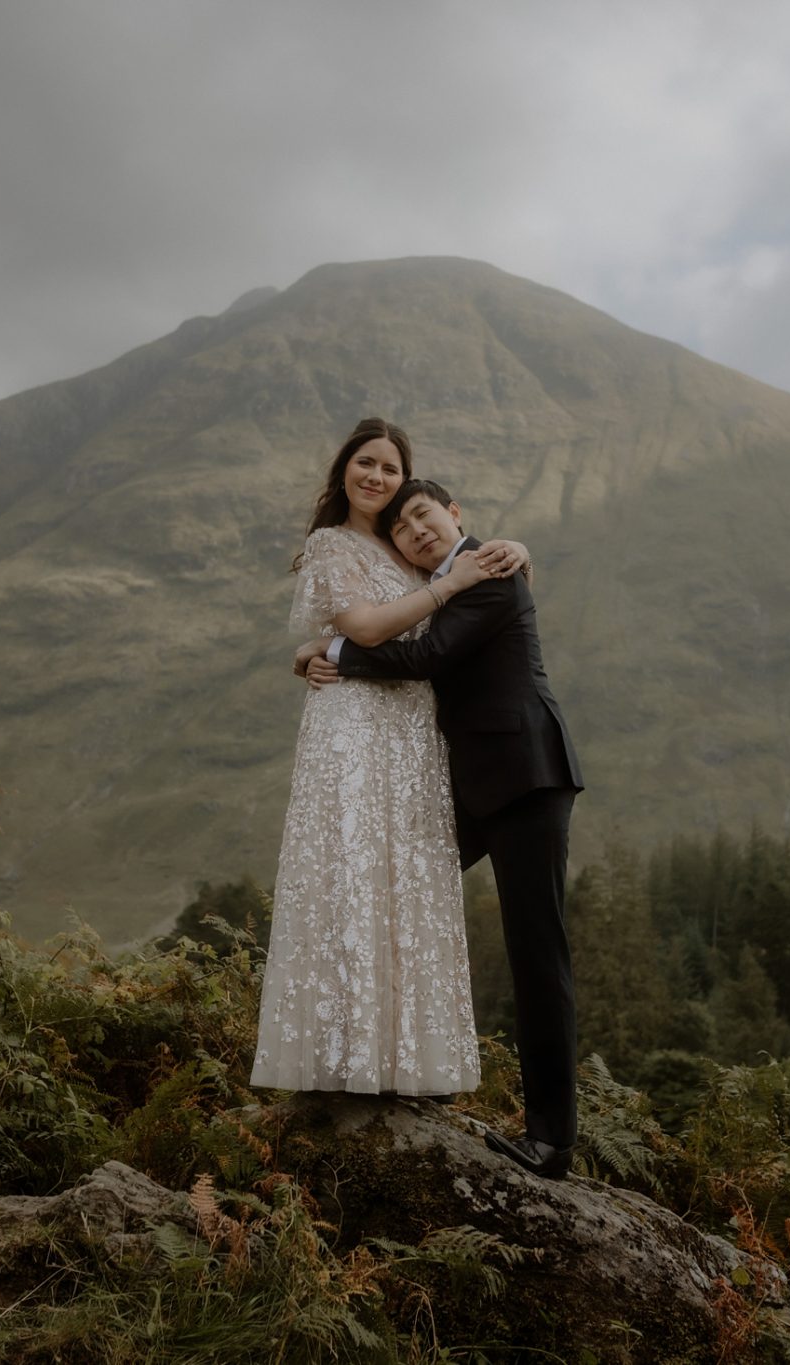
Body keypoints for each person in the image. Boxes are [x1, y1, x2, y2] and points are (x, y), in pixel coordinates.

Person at [299, 478, 583, 1179]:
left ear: (454, 514)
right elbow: (407, 633)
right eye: (402, 528)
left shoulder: (487, 569)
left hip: (524, 777)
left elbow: (424, 659)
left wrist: (334, 655)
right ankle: (405, 1062)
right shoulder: (446, 583)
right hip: (476, 788)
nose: (416, 531)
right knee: (403, 896)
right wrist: (311, 652)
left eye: (424, 515)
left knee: (536, 955)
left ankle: (551, 1140)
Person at [250, 419, 526, 1097]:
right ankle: (339, 1059)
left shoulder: (409, 546)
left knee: (406, 876)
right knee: (350, 866)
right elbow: (368, 626)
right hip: (352, 724)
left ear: (408, 481)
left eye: (390, 469)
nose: (376, 477)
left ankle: (404, 1061)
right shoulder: (332, 544)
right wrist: (445, 587)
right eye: (365, 463)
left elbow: (472, 581)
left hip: (412, 731)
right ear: (344, 468)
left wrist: (508, 548)